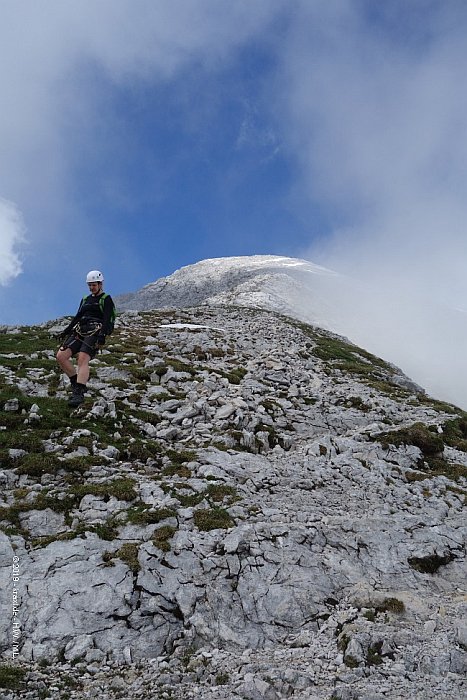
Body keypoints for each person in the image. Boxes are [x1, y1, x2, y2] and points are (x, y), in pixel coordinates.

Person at [56, 270, 115, 407]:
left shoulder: (106, 299)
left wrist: (102, 336)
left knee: (82, 358)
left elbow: (107, 319)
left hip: (95, 331)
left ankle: (79, 393)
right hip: (80, 330)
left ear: (100, 284)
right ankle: (76, 381)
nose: (91, 288)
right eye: (89, 285)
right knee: (61, 356)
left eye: (93, 285)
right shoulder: (85, 299)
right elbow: (77, 316)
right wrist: (66, 331)